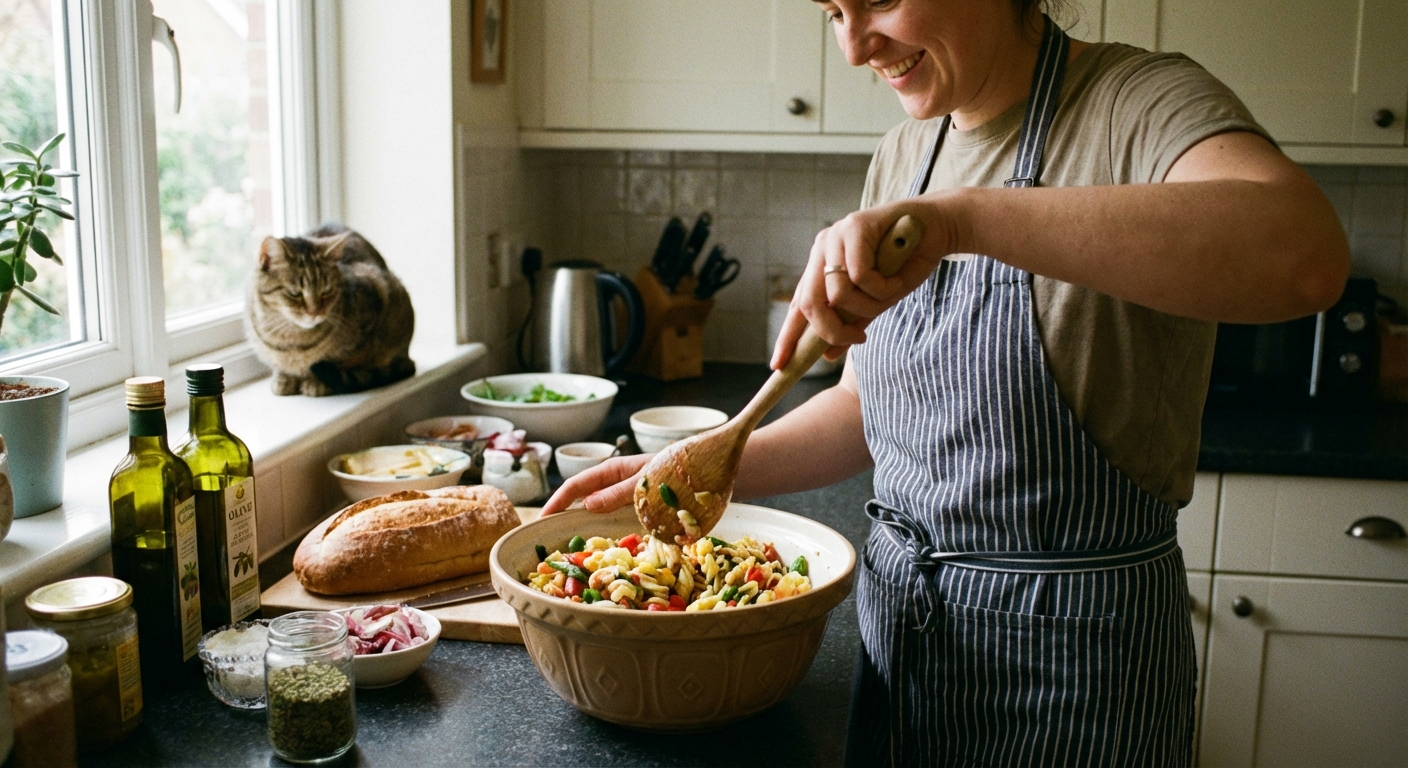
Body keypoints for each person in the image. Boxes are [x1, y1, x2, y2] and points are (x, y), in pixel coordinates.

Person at [543, 0, 1350, 764]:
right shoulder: (907, 149)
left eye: (879, 2)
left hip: (1076, 675)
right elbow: (866, 408)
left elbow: (1305, 258)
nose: (855, 47)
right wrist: (697, 469)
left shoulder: (1133, 102)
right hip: (904, 650)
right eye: (832, 13)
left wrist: (964, 220)